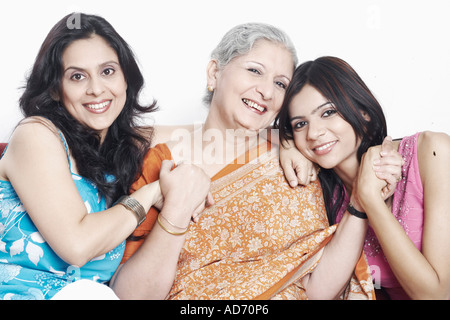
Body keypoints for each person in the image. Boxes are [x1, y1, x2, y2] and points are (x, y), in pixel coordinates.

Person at [109, 23, 403, 300]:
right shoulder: (162, 162)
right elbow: (130, 294)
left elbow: (316, 287)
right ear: (214, 73)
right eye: (254, 71)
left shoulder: (298, 158)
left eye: (280, 83)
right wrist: (177, 208)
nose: (266, 91)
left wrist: (361, 203)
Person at [0, 13, 211, 300]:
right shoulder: (36, 135)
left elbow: (217, 133)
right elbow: (77, 245)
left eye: (108, 71)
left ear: (126, 77)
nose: (96, 89)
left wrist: (286, 139)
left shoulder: (124, 145)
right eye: (77, 76)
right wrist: (152, 193)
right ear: (55, 88)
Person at [275, 56, 450, 299]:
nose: (313, 133)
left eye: (328, 112)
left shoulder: (432, 153)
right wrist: (281, 142)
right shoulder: (318, 196)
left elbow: (438, 296)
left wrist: (369, 197)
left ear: (364, 111)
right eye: (300, 124)